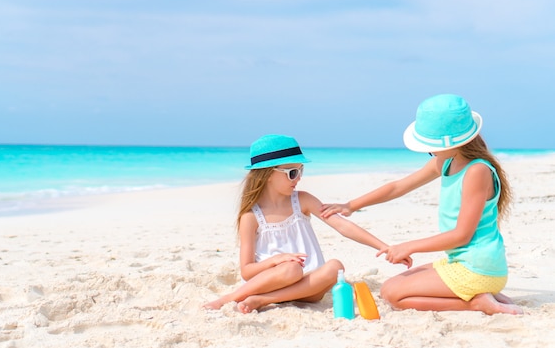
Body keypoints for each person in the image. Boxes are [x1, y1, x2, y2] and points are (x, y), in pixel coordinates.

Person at [321, 94, 523, 315]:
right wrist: (350, 205)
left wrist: (409, 246)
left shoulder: (477, 171)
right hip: (460, 261)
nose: (431, 152)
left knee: (392, 294)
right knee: (393, 286)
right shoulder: (446, 162)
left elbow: (461, 236)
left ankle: (476, 303)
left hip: (478, 268)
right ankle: (486, 294)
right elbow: (398, 187)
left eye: (430, 147)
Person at [203, 134, 410, 314]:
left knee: (334, 267)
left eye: (301, 171)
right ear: (267, 175)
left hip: (307, 289)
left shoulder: (302, 200)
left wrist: (384, 246)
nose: (298, 178)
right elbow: (247, 271)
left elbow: (342, 226)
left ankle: (264, 301)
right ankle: (231, 298)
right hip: (269, 281)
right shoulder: (251, 216)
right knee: (291, 269)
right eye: (292, 172)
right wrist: (277, 260)